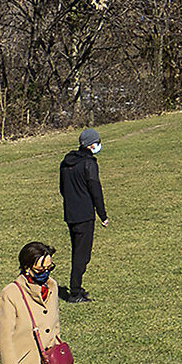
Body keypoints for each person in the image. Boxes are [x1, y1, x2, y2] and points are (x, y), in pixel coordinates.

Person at [58, 129, 108, 302]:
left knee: (76, 251)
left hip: (71, 214)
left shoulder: (66, 163)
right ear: (91, 144)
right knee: (83, 255)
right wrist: (103, 215)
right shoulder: (89, 164)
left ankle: (76, 287)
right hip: (85, 215)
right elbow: (96, 190)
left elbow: (62, 189)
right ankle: (75, 292)